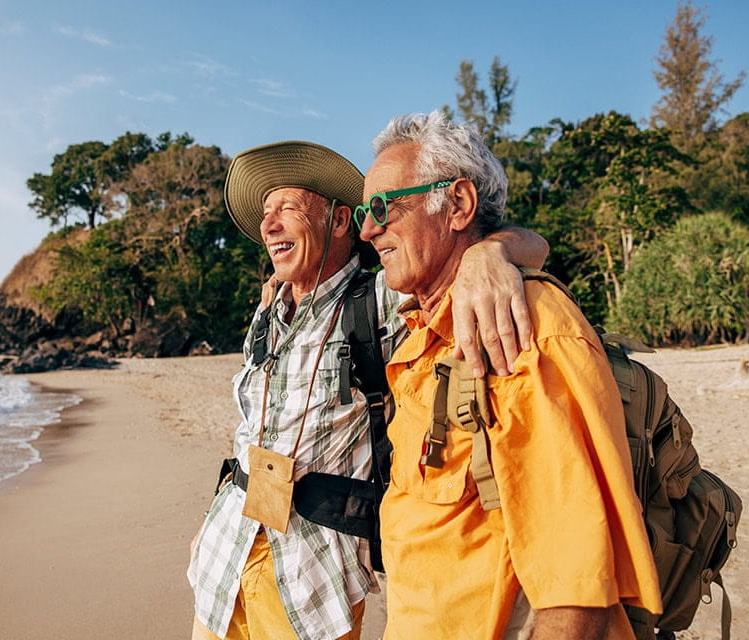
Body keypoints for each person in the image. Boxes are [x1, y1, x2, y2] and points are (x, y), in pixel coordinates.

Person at [187, 140, 548, 640]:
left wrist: (493, 251)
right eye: (266, 213)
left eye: (288, 208)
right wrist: (213, 520)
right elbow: (250, 428)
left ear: (339, 223)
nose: (269, 225)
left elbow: (528, 243)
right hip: (223, 557)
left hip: (310, 578)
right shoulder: (267, 310)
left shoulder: (380, 298)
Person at [359, 112, 661, 639]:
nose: (368, 228)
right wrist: (497, 247)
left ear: (456, 205)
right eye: (364, 211)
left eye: (383, 207)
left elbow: (575, 592)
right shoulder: (421, 329)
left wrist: (495, 249)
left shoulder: (525, 328)